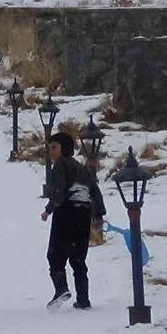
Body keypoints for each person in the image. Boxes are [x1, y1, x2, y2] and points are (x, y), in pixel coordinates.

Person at [41, 132, 106, 310]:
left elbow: (60, 190)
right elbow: (95, 191)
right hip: (84, 213)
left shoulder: (61, 165)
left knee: (55, 254)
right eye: (49, 148)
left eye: (54, 147)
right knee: (78, 257)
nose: (51, 152)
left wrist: (49, 209)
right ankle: (83, 299)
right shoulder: (82, 168)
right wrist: (99, 214)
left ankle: (61, 288)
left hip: (66, 212)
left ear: (64, 149)